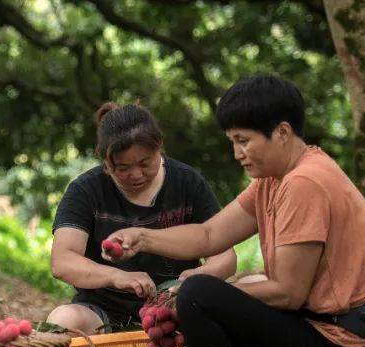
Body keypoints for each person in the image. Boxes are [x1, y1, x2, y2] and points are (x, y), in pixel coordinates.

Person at [103, 75, 365, 347]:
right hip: (323, 329)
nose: (237, 153)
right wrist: (142, 238)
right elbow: (210, 235)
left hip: (344, 344)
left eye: (244, 141)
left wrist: (199, 296)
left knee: (198, 292)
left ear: (282, 132)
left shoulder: (305, 183)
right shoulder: (273, 180)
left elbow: (288, 291)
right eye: (233, 142)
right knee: (210, 289)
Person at [46, 103, 236, 333]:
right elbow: (62, 261)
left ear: (159, 147)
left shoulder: (188, 183)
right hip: (102, 314)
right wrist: (115, 276)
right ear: (106, 162)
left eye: (145, 163)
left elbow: (225, 257)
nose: (136, 175)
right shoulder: (85, 190)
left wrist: (196, 277)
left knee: (253, 290)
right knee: (62, 320)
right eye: (123, 168)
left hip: (178, 311)